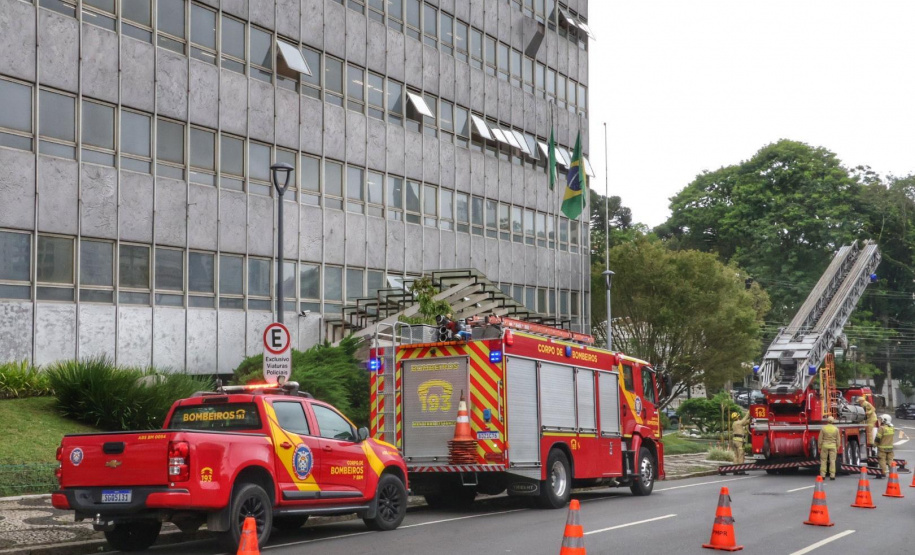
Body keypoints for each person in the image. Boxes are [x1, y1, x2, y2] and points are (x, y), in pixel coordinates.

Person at [818, 416, 839, 480]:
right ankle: (832, 475)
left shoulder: (823, 428)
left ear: (827, 421)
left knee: (823, 460)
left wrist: (819, 446)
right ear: (833, 421)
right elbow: (838, 440)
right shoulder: (836, 429)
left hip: (824, 446)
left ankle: (823, 475)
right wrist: (837, 447)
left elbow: (820, 438)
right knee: (832, 461)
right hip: (833, 446)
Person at [874, 414, 895, 478]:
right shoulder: (892, 427)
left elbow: (878, 438)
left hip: (882, 448)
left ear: (884, 420)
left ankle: (883, 473)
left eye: (881, 419)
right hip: (890, 448)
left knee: (882, 460)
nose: (880, 421)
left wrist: (875, 444)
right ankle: (893, 472)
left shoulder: (882, 428)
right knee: (890, 460)